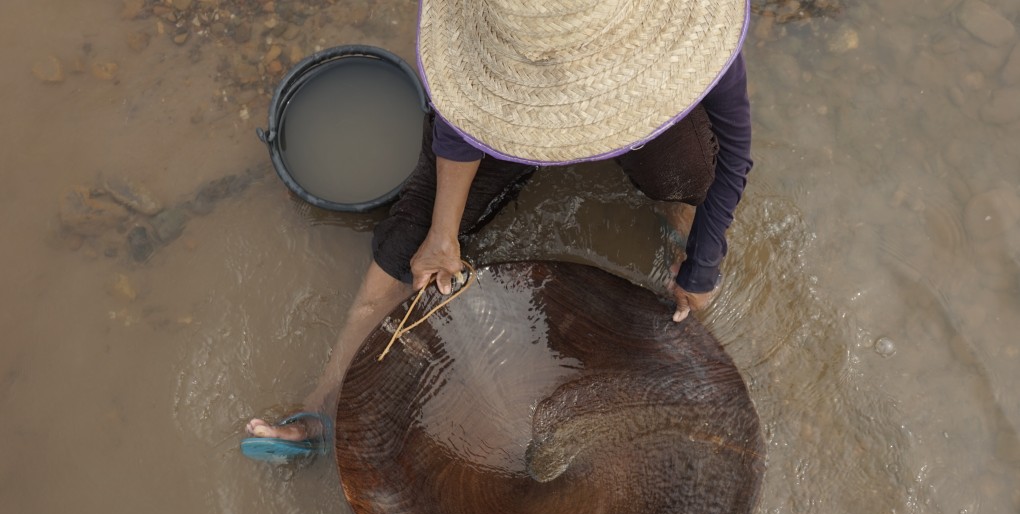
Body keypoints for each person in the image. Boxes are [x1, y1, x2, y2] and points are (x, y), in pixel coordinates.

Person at [242, 0, 753, 455]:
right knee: (409, 242)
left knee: (687, 176)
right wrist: (442, 237)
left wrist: (704, 260)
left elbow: (734, 150)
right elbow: (460, 132)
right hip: (511, 117)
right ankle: (323, 406)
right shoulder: (492, 47)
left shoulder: (682, 34)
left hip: (643, 106)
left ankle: (673, 220)